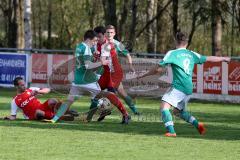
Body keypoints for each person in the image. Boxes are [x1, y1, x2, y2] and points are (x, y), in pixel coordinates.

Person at [138, 32, 230, 137]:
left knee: (164, 107)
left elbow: (157, 69)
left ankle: (171, 132)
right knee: (178, 112)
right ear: (187, 42)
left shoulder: (172, 53)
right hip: (188, 88)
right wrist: (223, 58)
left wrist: (144, 75)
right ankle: (197, 124)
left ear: (175, 41)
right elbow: (208, 58)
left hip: (179, 87)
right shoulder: (191, 54)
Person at [44, 30, 131, 124]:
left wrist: (94, 58)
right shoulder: (86, 48)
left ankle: (54, 119)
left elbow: (83, 63)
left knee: (68, 101)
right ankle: (119, 112)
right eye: (94, 41)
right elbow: (88, 66)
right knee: (109, 96)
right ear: (90, 39)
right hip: (88, 82)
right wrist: (101, 62)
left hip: (77, 81)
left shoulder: (79, 46)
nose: (95, 43)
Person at [93, 25, 140, 116]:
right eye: (107, 32)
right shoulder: (98, 42)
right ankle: (132, 111)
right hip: (102, 72)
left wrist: (130, 66)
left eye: (111, 32)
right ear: (104, 33)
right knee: (118, 93)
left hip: (113, 73)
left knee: (108, 93)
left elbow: (127, 54)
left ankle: (131, 111)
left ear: (114, 34)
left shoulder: (117, 44)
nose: (109, 34)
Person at [4, 77, 68, 121]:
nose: (25, 86)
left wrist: (38, 91)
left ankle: (65, 112)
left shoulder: (30, 89)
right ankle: (57, 117)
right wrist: (7, 118)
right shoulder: (15, 100)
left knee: (52, 100)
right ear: (16, 86)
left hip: (42, 107)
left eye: (24, 84)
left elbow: (48, 90)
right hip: (33, 115)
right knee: (38, 112)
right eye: (22, 85)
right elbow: (13, 116)